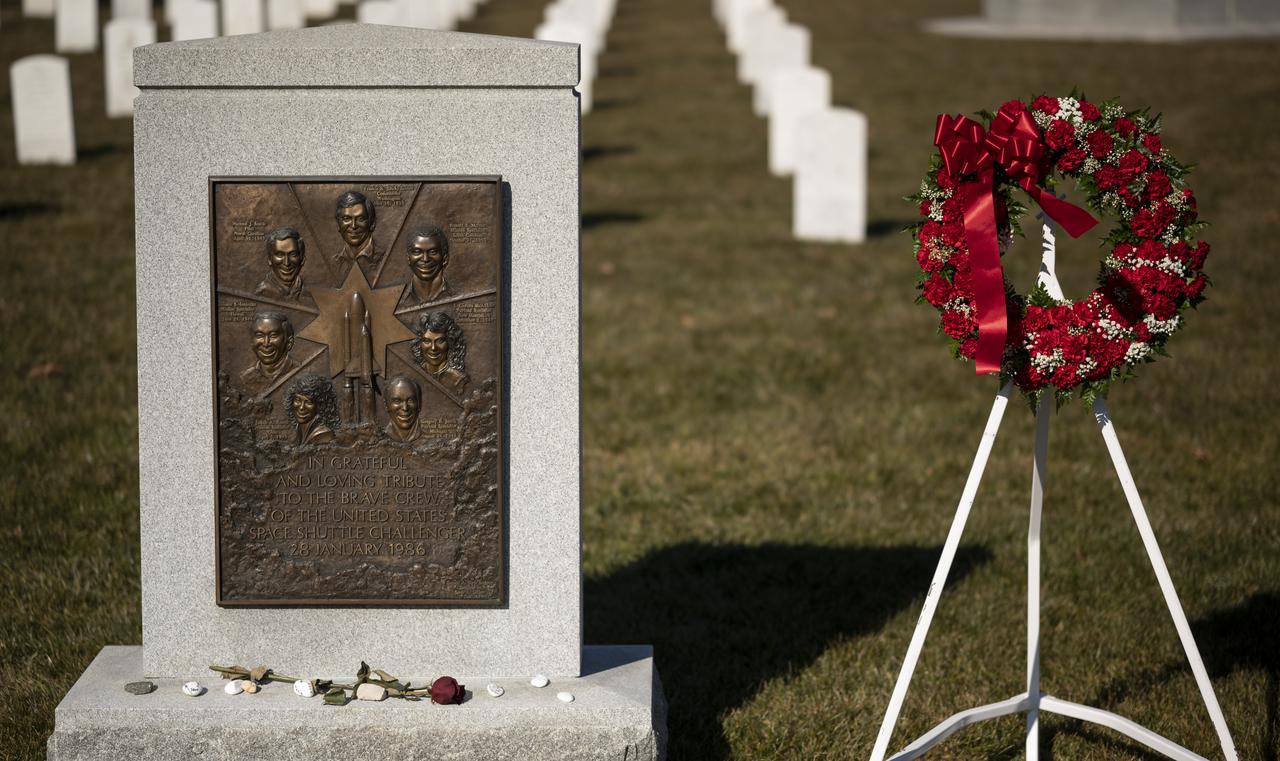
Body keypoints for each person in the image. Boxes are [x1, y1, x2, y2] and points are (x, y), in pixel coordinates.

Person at [240, 310, 299, 394]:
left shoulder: (300, 373)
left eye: (273, 335)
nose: (266, 343)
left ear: (289, 342)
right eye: (259, 335)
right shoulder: (246, 378)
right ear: (252, 342)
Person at [411, 311, 469, 393]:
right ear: (419, 344)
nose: (433, 348)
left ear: (450, 342)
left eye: (440, 341)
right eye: (427, 341)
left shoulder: (459, 381)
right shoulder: (414, 373)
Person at [401, 224, 452, 307]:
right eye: (417, 252)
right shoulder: (396, 300)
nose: (425, 259)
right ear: (408, 258)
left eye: (433, 252)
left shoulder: (458, 296)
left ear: (445, 259)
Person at [254, 227, 307, 301]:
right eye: (279, 254)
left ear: (302, 259)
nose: (286, 263)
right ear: (270, 259)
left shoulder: (311, 293)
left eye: (293, 254)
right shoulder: (262, 293)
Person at [284, 373, 339, 445]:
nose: (301, 407)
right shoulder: (299, 429)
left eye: (308, 402)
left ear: (320, 406)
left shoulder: (324, 435)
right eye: (297, 400)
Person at [333, 190, 378, 265]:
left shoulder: (386, 258)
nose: (353, 226)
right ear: (338, 225)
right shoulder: (335, 262)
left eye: (361, 219)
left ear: (372, 223)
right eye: (346, 218)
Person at [382, 376, 423, 443]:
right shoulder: (380, 436)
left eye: (410, 400)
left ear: (419, 404)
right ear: (386, 405)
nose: (405, 408)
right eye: (397, 401)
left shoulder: (431, 433)